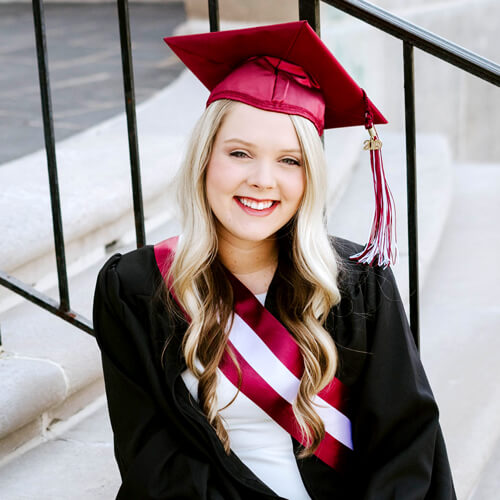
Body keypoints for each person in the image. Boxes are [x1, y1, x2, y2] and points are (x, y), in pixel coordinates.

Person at [93, 21, 456, 499]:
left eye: (290, 160)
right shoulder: (138, 288)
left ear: (311, 177)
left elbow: (406, 443)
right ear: (204, 161)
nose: (264, 179)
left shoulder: (355, 282)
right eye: (240, 153)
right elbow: (153, 462)